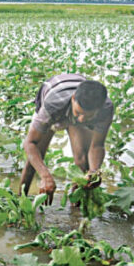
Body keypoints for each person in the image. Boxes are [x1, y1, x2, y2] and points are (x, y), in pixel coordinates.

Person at [20, 73, 114, 204]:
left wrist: (94, 171)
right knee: (35, 159)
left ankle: (76, 208)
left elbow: (97, 146)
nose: (81, 119)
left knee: (83, 163)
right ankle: (19, 200)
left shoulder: (106, 109)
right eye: (79, 113)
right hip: (56, 101)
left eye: (88, 116)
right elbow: (30, 143)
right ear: (73, 99)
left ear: (98, 110)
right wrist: (45, 176)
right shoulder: (53, 104)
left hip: (73, 101)